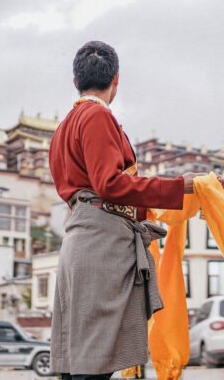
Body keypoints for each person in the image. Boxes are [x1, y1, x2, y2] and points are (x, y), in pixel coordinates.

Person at [48, 41, 201, 380]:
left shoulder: (63, 127)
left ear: (75, 81)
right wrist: (178, 187)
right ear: (116, 80)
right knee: (94, 365)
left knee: (82, 361)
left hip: (80, 237)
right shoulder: (97, 116)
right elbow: (110, 185)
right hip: (101, 243)